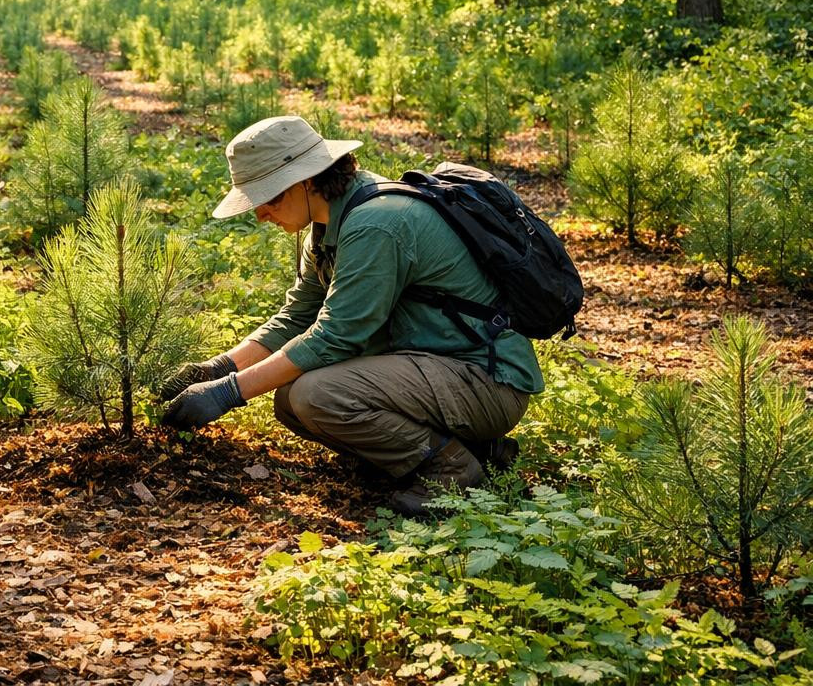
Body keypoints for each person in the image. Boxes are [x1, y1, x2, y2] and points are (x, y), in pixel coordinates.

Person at [159, 116, 544, 516]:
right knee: (291, 401)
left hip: (484, 380)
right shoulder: (331, 223)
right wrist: (216, 369)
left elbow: (336, 337)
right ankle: (480, 451)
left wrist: (228, 393)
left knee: (317, 395)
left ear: (305, 180)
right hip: (439, 370)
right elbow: (297, 316)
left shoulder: (376, 223)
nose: (260, 214)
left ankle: (452, 468)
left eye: (268, 198)